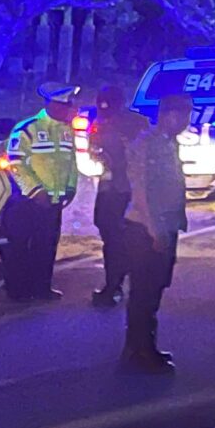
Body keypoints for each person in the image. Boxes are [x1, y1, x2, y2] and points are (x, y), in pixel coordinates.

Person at [121, 91, 191, 374]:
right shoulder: (148, 144)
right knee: (145, 292)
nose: (187, 121)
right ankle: (141, 350)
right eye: (184, 114)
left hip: (164, 226)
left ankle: (139, 347)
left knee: (155, 289)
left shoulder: (168, 143)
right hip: (146, 229)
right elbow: (143, 191)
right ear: (169, 115)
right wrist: (155, 230)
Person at [1, 84, 80, 302]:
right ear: (53, 105)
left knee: (46, 246)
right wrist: (35, 191)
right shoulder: (27, 129)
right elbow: (15, 164)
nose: (69, 109)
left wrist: (70, 188)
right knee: (20, 246)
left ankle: (42, 288)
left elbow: (71, 163)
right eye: (65, 106)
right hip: (26, 201)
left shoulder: (66, 131)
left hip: (53, 201)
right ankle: (18, 291)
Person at [87, 86, 141, 308]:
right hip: (112, 188)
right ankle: (118, 281)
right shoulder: (105, 121)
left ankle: (114, 285)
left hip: (124, 189)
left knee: (116, 238)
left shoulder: (129, 123)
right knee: (112, 233)